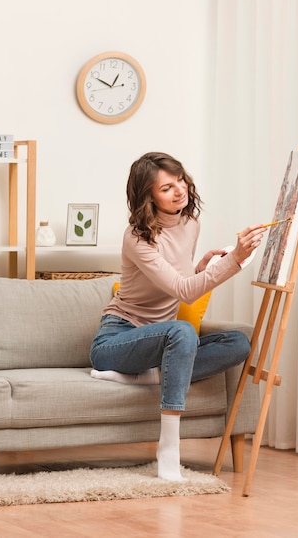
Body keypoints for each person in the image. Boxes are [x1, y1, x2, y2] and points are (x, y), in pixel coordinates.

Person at [89, 152, 266, 481]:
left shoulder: (190, 223)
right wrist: (236, 260)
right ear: (148, 196)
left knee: (239, 342)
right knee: (182, 331)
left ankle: (148, 376)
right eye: (166, 187)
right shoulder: (137, 238)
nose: (179, 190)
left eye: (180, 180)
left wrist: (202, 267)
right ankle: (168, 448)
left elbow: (178, 278)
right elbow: (184, 292)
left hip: (163, 342)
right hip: (116, 340)